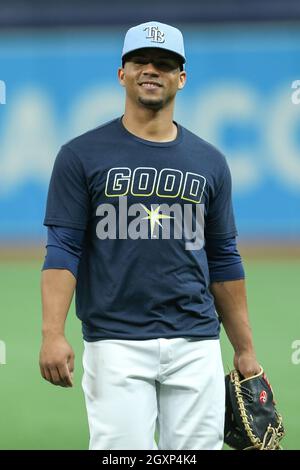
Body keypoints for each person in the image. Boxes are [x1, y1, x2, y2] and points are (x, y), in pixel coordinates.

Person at [39, 20, 260, 450]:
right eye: (140, 60)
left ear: (182, 77)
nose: (151, 69)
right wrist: (52, 333)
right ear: (122, 73)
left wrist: (245, 349)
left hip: (196, 341)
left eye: (164, 63)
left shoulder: (209, 162)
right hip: (114, 342)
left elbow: (223, 256)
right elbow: (63, 250)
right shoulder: (80, 156)